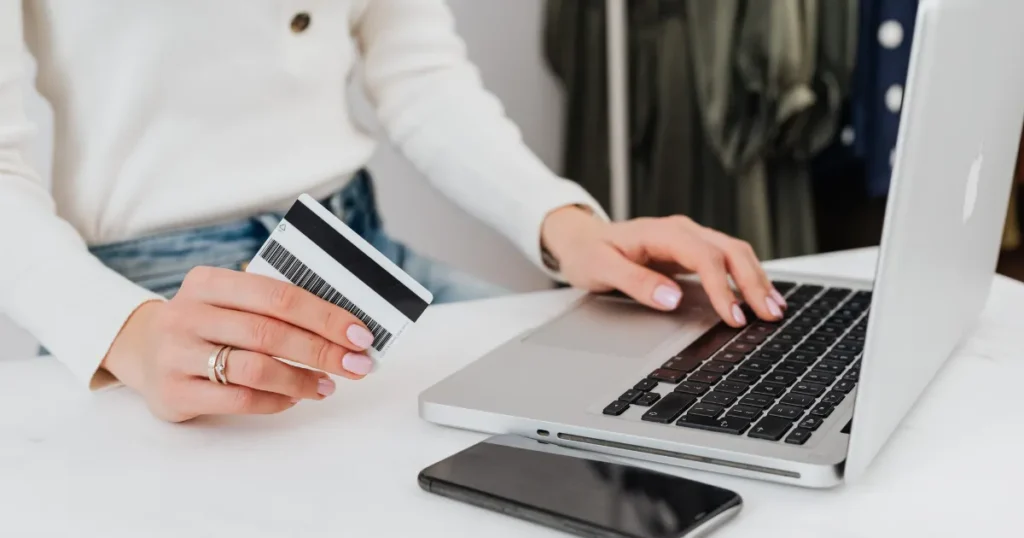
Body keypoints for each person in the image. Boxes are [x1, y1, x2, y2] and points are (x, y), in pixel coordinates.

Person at [0, 1, 786, 423]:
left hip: (360, 252)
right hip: (164, 301)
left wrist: (569, 225)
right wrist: (126, 336)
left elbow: (419, 71)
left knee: (669, 393)